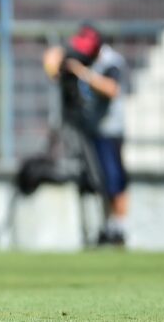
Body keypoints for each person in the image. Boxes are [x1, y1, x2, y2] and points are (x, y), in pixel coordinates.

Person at [43, 23, 130, 246]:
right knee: (98, 181)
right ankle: (106, 227)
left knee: (114, 181)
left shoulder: (111, 62)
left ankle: (118, 229)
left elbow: (112, 89)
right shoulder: (86, 60)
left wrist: (83, 73)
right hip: (91, 130)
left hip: (109, 131)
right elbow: (54, 62)